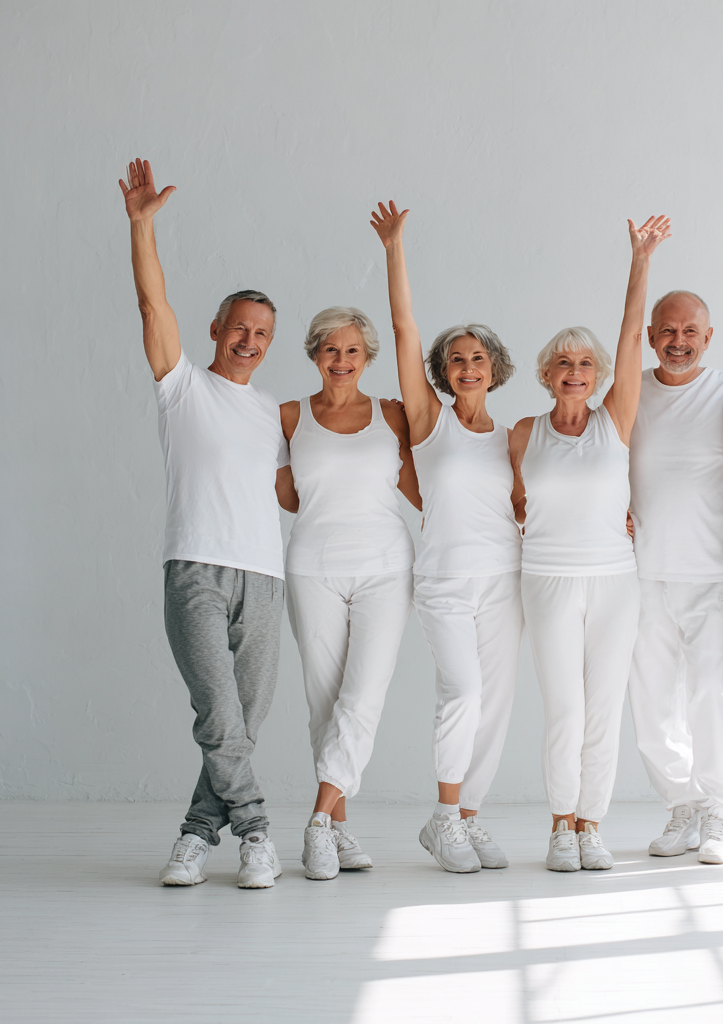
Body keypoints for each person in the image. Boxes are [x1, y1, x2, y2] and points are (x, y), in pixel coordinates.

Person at [120, 158, 289, 889]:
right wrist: (142, 226)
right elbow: (154, 308)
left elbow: (304, 490)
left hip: (266, 577)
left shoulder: (276, 415)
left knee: (238, 728)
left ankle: (195, 835)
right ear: (216, 328)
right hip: (194, 567)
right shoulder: (182, 387)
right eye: (239, 327)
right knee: (217, 713)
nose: (249, 340)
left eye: (262, 333)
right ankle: (256, 831)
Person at [510, 216, 671, 872]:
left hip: (614, 581)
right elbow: (500, 504)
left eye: (585, 364)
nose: (574, 372)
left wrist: (640, 259)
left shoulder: (616, 419)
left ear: (598, 373)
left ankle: (591, 823)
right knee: (564, 709)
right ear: (547, 374)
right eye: (563, 364)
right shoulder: (522, 433)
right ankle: (558, 826)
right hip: (546, 579)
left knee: (604, 705)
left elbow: (634, 334)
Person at [371, 202, 524, 874]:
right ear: (443, 371)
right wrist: (394, 247)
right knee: (460, 692)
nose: (467, 367)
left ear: (496, 368)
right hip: (445, 580)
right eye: (456, 359)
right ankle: (442, 815)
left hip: (505, 580)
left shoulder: (514, 435)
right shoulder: (431, 421)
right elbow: (405, 330)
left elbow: (534, 504)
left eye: (478, 358)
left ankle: (468, 816)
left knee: (494, 702)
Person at [276, 307, 420, 881]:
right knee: (325, 701)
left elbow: (422, 491)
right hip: (313, 568)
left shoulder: (393, 415)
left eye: (353, 351)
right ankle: (338, 828)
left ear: (368, 357)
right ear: (314, 354)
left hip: (386, 568)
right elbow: (289, 499)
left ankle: (315, 823)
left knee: (364, 695)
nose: (341, 361)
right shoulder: (289, 416)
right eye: (330, 350)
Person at [627, 291, 723, 865]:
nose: (678, 341)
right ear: (651, 336)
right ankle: (684, 804)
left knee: (711, 696)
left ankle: (721, 809)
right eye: (667, 331)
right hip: (642, 573)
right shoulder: (631, 391)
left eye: (690, 331)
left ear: (708, 336)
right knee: (651, 703)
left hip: (713, 573)